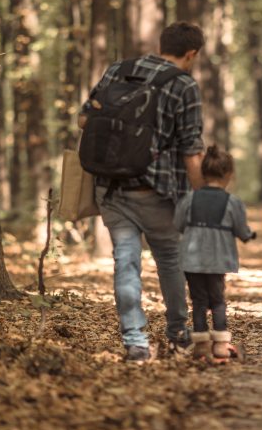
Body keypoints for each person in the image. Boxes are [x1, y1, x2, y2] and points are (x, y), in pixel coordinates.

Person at [79, 22, 206, 361]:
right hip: (158, 190)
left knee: (126, 261)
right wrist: (205, 197)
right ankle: (178, 333)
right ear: (191, 54)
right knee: (169, 260)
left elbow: (83, 120)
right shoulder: (183, 85)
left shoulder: (118, 70)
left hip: (109, 186)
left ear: (161, 44)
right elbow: (191, 150)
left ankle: (135, 341)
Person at [173, 145, 255, 361]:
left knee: (199, 301)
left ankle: (200, 346)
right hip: (218, 260)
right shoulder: (232, 202)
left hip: (191, 260)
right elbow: (241, 230)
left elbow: (178, 223)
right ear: (228, 174)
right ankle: (220, 345)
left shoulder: (190, 198)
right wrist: (248, 235)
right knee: (217, 300)